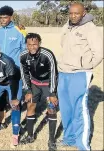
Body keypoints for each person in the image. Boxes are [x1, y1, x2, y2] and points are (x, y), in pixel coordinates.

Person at [57, 3, 103, 150]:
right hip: (64, 72)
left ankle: (83, 145)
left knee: (79, 110)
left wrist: (86, 66)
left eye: (76, 13)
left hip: (79, 73)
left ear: (84, 13)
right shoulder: (68, 25)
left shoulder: (91, 29)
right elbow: (63, 43)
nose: (73, 16)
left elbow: (100, 53)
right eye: (70, 13)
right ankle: (69, 139)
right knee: (66, 109)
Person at [19, 33, 58, 150]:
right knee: (30, 106)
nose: (32, 47)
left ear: (39, 44)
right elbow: (24, 73)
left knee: (51, 108)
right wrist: (28, 90)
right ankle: (30, 136)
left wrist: (52, 93)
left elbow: (53, 74)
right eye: (29, 44)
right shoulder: (23, 56)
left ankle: (51, 141)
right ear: (26, 44)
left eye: (35, 44)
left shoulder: (47, 54)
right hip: (34, 83)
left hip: (47, 84)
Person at [0, 6, 26, 129]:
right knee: (0, 99)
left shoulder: (19, 31)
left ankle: (16, 125)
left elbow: (25, 51)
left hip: (15, 72)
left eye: (5, 17)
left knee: (15, 99)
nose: (2, 20)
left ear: (11, 17)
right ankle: (2, 122)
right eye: (0, 18)